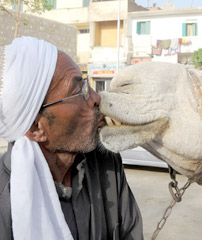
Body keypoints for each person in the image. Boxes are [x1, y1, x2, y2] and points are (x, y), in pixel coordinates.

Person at [0, 36, 143, 240]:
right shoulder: (5, 200)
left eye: (87, 84)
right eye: (79, 92)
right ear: (36, 128)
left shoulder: (106, 164)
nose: (96, 98)